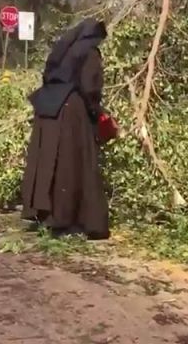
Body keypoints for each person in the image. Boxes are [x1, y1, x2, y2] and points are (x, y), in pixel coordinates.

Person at [20, 18, 116, 240]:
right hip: (70, 111)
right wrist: (97, 112)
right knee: (72, 164)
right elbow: (91, 87)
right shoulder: (89, 53)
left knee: (47, 161)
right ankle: (69, 220)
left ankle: (46, 215)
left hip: (47, 107)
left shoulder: (63, 51)